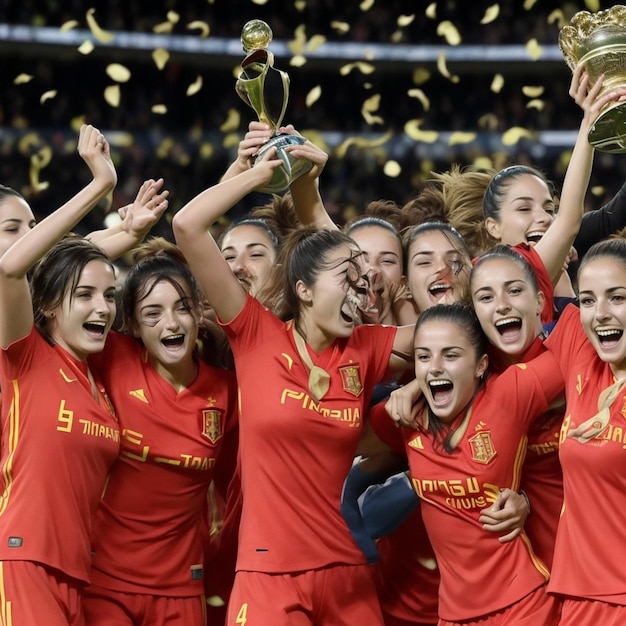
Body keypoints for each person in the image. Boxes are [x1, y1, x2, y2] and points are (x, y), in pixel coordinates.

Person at [172, 147, 415, 626]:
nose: (360, 290)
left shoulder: (365, 347)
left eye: (360, 281)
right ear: (303, 289)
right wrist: (255, 175)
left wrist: (310, 188)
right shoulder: (256, 333)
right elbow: (187, 226)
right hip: (269, 577)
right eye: (344, 280)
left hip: (346, 573)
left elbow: (459, 335)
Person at [82, 238, 238, 626]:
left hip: (182, 587)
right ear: (132, 324)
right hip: (104, 583)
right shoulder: (112, 356)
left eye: (182, 309)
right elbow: (58, 285)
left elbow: (234, 491)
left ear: (198, 314)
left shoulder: (228, 391)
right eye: (153, 313)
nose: (171, 323)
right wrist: (125, 235)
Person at [0, 124, 120, 625]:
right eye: (14, 228)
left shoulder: (95, 379)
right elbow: (13, 271)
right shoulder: (22, 352)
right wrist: (98, 186)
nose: (104, 309)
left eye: (110, 297)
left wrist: (128, 233)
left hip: (74, 571)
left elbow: (71, 272)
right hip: (20, 559)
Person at [394, 303, 563, 624]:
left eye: (451, 355)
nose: (435, 367)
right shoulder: (405, 416)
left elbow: (579, 347)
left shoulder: (508, 394)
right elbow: (331, 440)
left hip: (522, 606)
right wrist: (416, 383)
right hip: (452, 614)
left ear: (481, 364)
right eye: (424, 356)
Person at [542, 236, 626, 624]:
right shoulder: (581, 349)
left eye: (618, 298)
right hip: (576, 596)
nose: (600, 314)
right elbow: (543, 267)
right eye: (589, 300)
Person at [470, 245, 565, 569]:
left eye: (514, 290)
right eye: (485, 297)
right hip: (527, 583)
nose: (502, 306)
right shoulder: (467, 384)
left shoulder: (577, 349)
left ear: (540, 301)